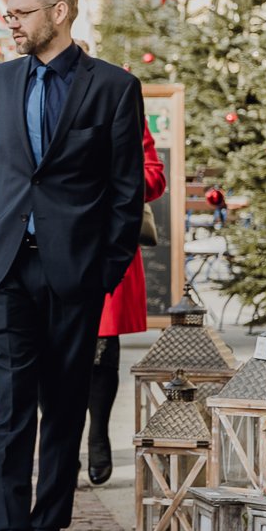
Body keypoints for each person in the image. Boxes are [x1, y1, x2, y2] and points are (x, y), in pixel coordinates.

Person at [0, 0, 145, 531]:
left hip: (74, 273)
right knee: (10, 403)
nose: (12, 22)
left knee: (62, 403)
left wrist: (103, 271)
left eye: (22, 12)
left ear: (59, 12)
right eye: (10, 11)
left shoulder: (112, 87)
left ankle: (49, 528)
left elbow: (124, 192)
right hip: (2, 269)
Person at [85, 119, 167, 485]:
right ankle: (61, 440)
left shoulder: (117, 99)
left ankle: (98, 433)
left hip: (106, 245)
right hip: (45, 245)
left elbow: (154, 178)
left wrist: (111, 179)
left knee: (102, 345)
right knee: (47, 351)